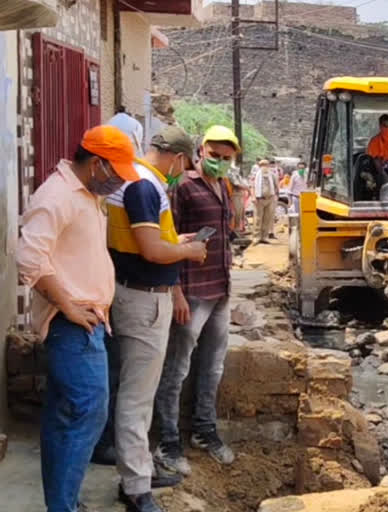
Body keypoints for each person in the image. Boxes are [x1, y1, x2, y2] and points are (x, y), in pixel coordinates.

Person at [16, 125, 139, 512]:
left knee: (64, 415)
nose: (118, 180)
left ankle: (63, 502)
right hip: (72, 323)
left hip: (88, 320)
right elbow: (28, 259)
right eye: (116, 172)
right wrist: (68, 304)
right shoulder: (56, 196)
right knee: (88, 408)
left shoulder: (86, 194)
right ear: (97, 164)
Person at [107, 125, 207, 512]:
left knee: (133, 392)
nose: (183, 172)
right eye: (185, 165)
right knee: (136, 397)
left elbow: (143, 240)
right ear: (178, 158)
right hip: (143, 299)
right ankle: (135, 489)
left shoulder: (132, 180)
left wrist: (176, 243)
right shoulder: (145, 187)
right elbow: (150, 249)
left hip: (132, 292)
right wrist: (188, 251)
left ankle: (138, 472)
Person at [153, 126, 240, 479]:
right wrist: (174, 291)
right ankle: (168, 443)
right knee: (177, 369)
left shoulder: (225, 186)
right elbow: (168, 239)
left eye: (226, 158)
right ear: (200, 151)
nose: (219, 163)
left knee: (213, 366)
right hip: (190, 291)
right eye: (214, 156)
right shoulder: (183, 188)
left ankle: (205, 432)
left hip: (219, 288)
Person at [252, 158, 278, 244]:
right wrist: (253, 197)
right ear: (260, 166)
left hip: (270, 199)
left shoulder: (272, 175)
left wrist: (276, 196)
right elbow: (252, 186)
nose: (265, 167)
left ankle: (264, 237)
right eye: (262, 165)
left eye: (266, 165)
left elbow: (276, 186)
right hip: (259, 199)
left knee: (267, 218)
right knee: (258, 219)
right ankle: (256, 237)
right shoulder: (256, 175)